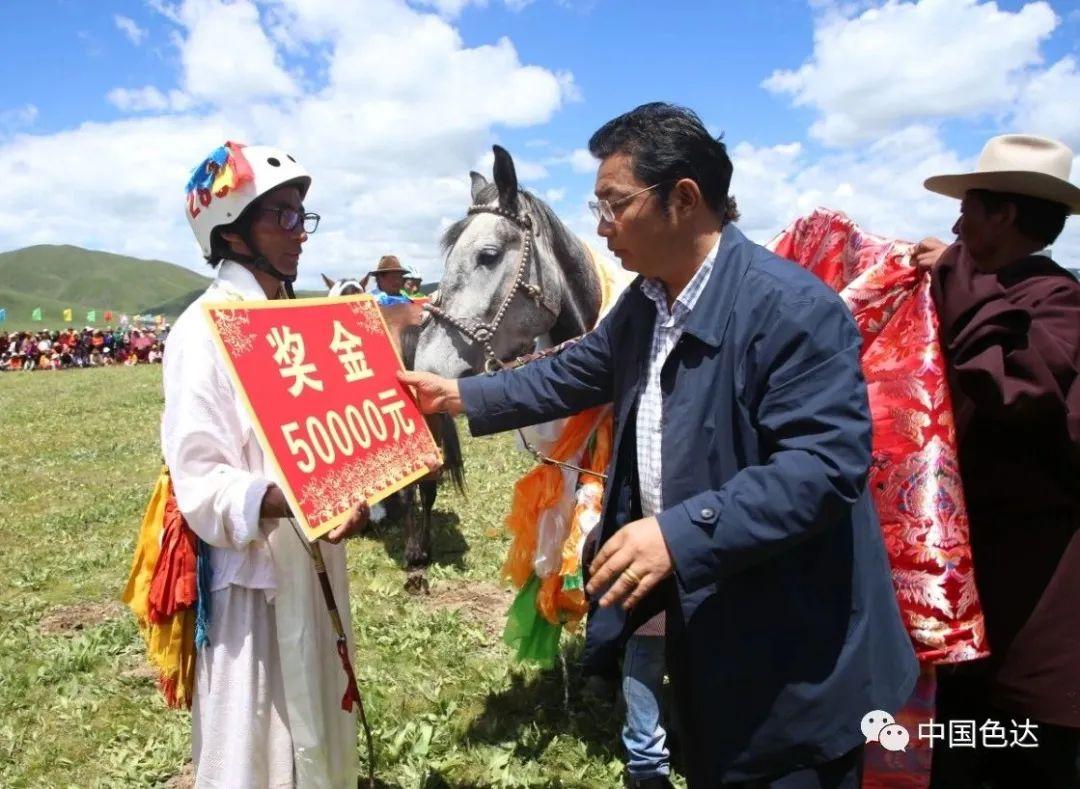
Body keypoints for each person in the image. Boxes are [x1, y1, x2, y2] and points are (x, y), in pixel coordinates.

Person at [401, 103, 917, 787]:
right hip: (712, 632)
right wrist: (460, 396)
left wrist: (677, 534)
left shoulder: (792, 310)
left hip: (794, 656)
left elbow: (822, 469)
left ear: (683, 198)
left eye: (614, 204)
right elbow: (576, 368)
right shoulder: (649, 303)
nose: (600, 225)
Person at [163, 141, 369, 787]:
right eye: (281, 215)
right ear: (232, 231)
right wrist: (288, 497)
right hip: (252, 585)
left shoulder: (301, 325)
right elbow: (199, 478)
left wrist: (356, 487)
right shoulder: (200, 331)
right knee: (255, 748)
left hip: (313, 567)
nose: (298, 233)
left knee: (322, 738)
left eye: (301, 216)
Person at [911, 133, 1080, 789]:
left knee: (1026, 764)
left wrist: (956, 271)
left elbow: (1012, 387)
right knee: (960, 753)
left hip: (1037, 617)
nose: (955, 225)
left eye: (969, 209)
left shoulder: (1058, 304)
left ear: (1005, 215)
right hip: (977, 609)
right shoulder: (990, 295)